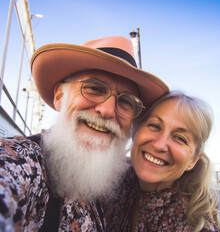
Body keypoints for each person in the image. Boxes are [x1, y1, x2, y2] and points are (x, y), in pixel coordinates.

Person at [0, 36, 169, 231]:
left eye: (126, 102)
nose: (107, 110)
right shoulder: (20, 163)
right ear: (60, 96)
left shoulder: (118, 180)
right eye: (94, 88)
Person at [104, 91, 220, 232]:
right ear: (135, 131)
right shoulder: (108, 178)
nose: (159, 145)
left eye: (180, 138)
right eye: (155, 126)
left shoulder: (195, 228)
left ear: (192, 161)